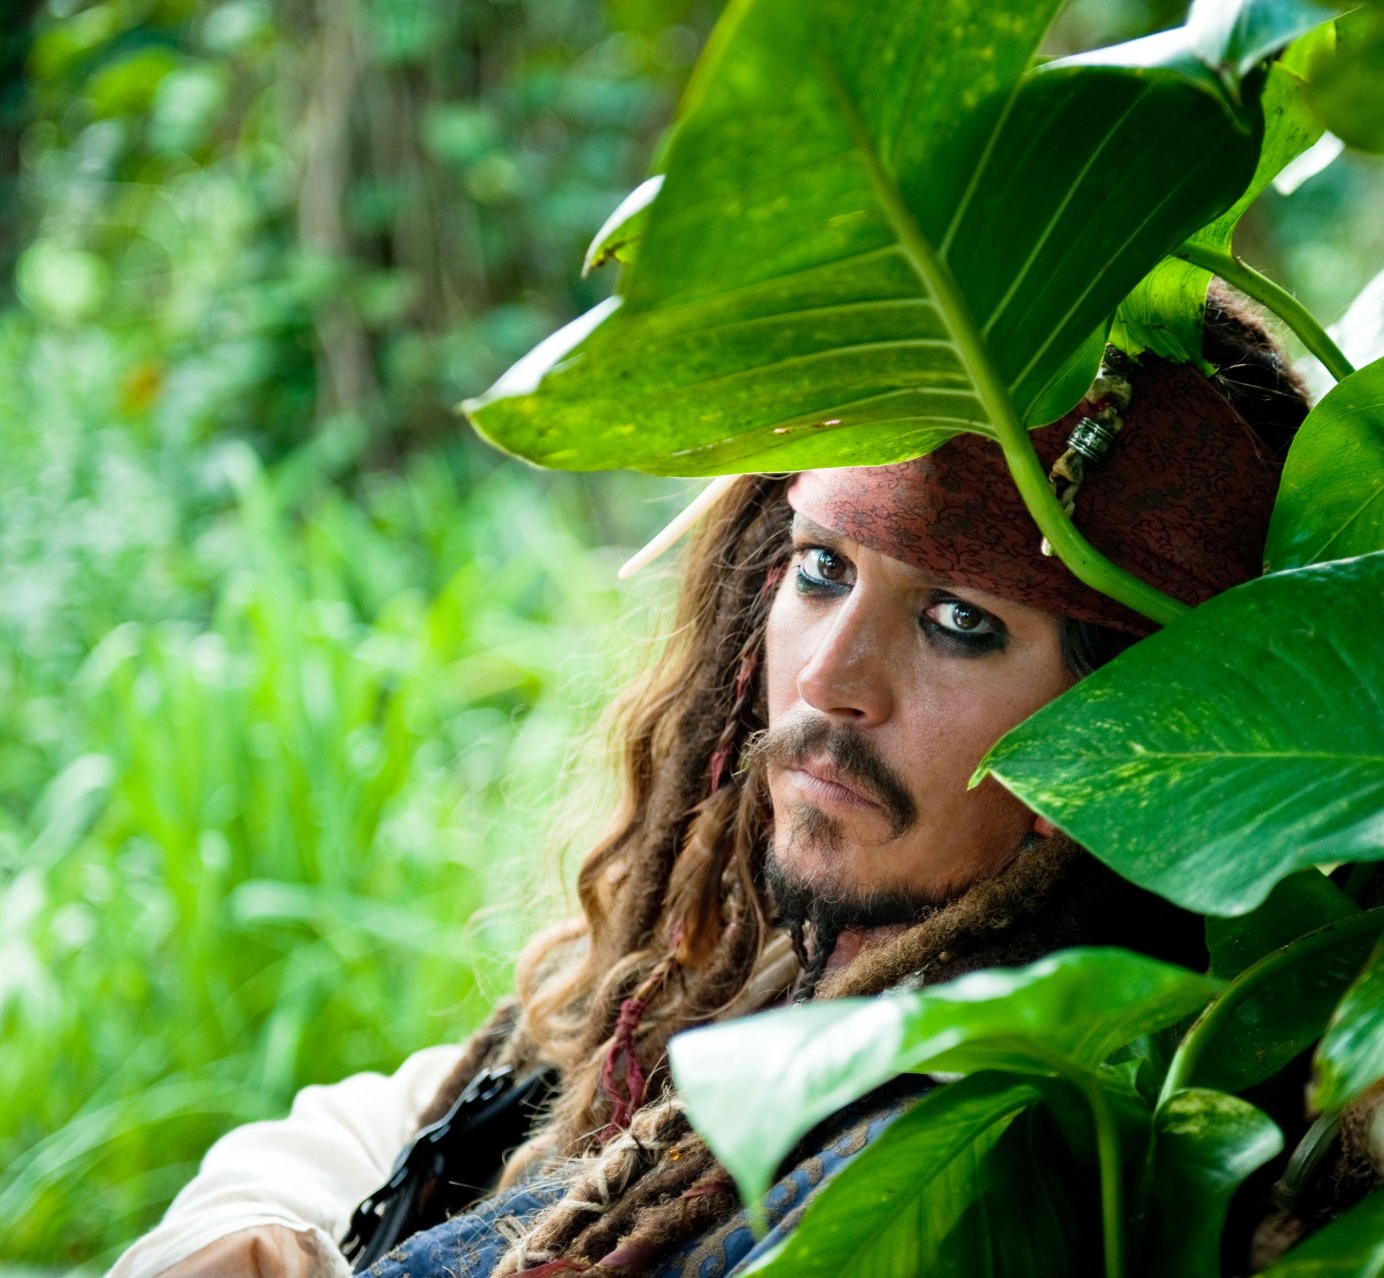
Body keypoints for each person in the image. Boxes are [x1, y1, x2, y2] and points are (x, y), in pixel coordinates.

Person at [109, 282, 1308, 1278]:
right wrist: (257, 1227)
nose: (833, 679)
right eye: (823, 569)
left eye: (959, 621)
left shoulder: (997, 1159)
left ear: (1148, 724)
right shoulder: (748, 961)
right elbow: (403, 1115)